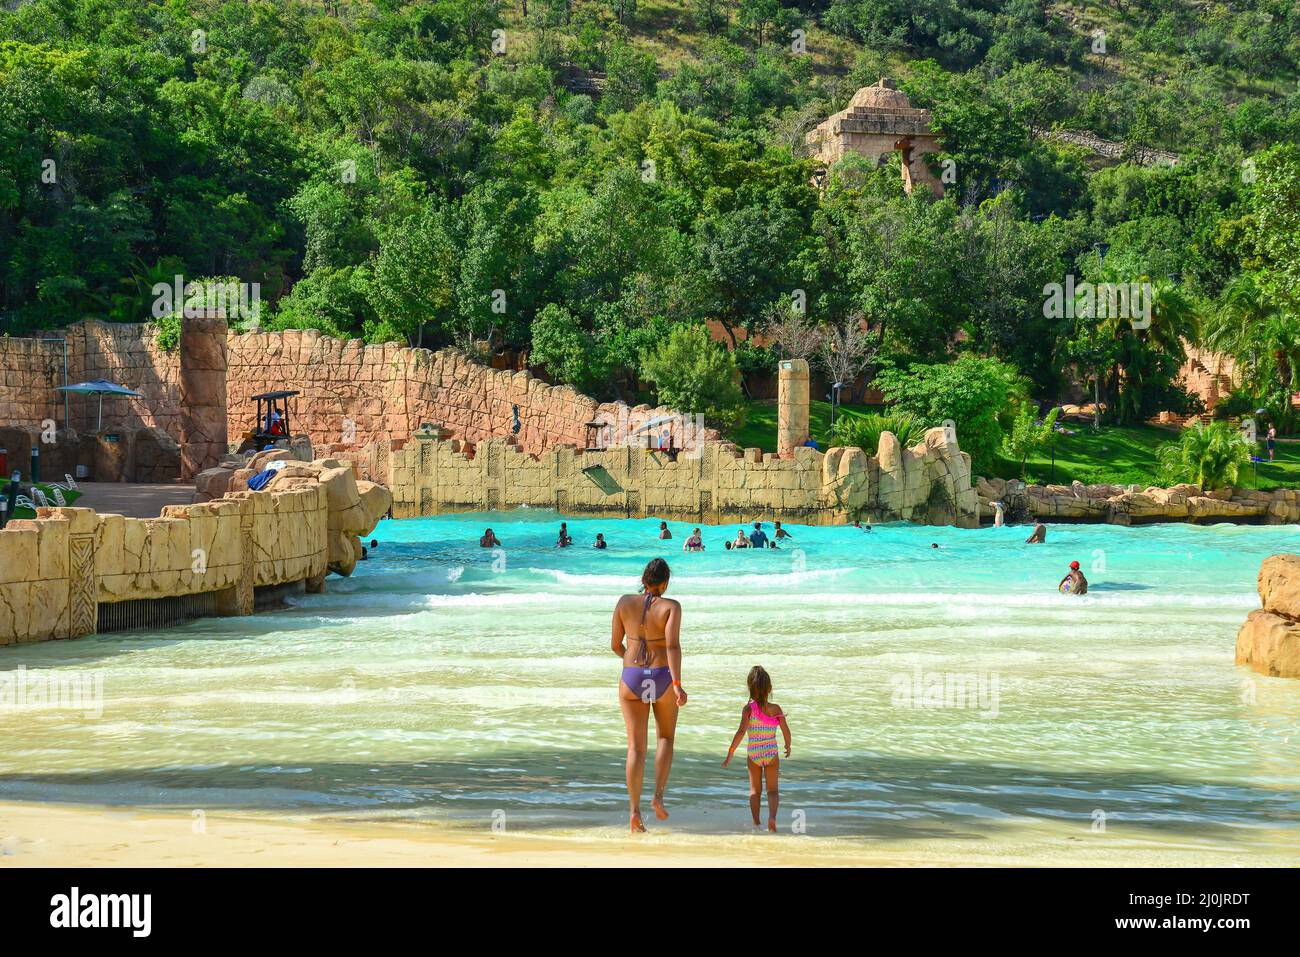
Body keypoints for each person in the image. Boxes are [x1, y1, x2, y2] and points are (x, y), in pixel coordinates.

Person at [612, 559, 686, 833]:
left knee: (635, 749)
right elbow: (673, 647)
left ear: (643, 579)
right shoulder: (671, 607)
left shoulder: (623, 602)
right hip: (661, 677)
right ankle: (658, 796)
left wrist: (631, 662)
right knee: (665, 737)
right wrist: (677, 683)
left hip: (631, 678)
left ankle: (634, 813)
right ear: (664, 583)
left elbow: (614, 645)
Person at [723, 666, 791, 832]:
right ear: (769, 688)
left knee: (755, 790)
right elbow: (786, 731)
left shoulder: (747, 710)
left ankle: (756, 823)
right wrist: (788, 745)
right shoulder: (775, 709)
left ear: (749, 688)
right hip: (771, 752)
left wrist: (730, 753)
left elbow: (740, 732)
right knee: (773, 790)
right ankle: (772, 818)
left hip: (754, 753)